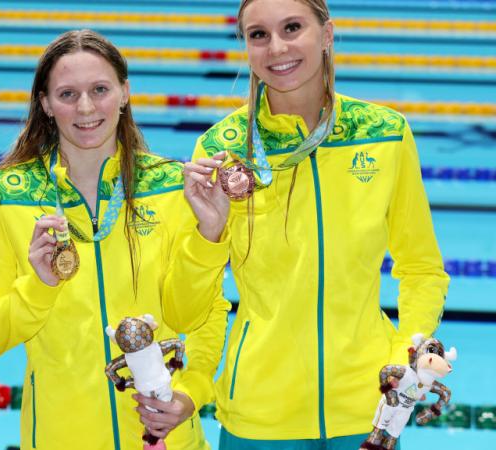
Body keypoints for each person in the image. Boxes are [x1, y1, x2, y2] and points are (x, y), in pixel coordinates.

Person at [181, 0, 450, 449]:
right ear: (245, 46)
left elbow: (421, 268)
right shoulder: (220, 150)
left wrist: (407, 350)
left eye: (292, 27)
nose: (277, 47)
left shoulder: (384, 134)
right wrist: (207, 237)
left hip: (367, 408)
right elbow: (188, 309)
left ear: (326, 34)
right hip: (260, 415)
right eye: (258, 35)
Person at [0, 29, 230, 450]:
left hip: (167, 438)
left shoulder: (169, 186)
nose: (85, 108)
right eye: (67, 94)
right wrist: (39, 285)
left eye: (100, 89)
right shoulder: (7, 193)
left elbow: (204, 313)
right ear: (46, 104)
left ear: (125, 93)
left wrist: (191, 392)